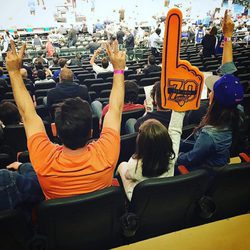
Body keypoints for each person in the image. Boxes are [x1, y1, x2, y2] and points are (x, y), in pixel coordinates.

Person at [6, 39, 126, 200]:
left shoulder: (43, 160)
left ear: (56, 131)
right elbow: (116, 109)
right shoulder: (107, 154)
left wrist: (14, 72)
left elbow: (27, 114)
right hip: (101, 222)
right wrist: (119, 69)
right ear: (91, 132)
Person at [177, 10, 245, 172]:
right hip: (216, 155)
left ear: (215, 100)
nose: (210, 92)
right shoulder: (236, 110)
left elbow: (191, 158)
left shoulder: (209, 136)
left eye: (212, 91)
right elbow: (228, 71)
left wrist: (175, 156)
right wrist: (227, 35)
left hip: (208, 172)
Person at [117, 111, 185, 201]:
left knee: (122, 166)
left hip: (140, 200)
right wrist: (180, 109)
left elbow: (127, 175)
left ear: (140, 144)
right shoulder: (172, 157)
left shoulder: (134, 166)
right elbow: (175, 130)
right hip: (164, 195)